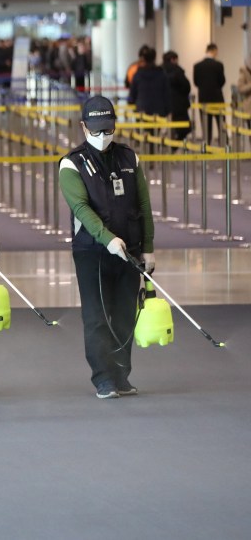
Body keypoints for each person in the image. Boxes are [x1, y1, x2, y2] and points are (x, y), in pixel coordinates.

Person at [59, 96, 155, 399]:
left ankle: (121, 373)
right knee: (97, 315)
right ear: (84, 126)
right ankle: (102, 376)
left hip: (130, 250)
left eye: (108, 130)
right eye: (97, 131)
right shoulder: (71, 163)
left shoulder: (129, 157)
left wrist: (148, 247)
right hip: (92, 251)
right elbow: (81, 208)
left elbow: (143, 204)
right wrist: (106, 237)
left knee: (126, 313)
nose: (103, 137)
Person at [192, 43, 226, 144]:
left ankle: (206, 145)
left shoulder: (197, 66)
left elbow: (196, 82)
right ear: (214, 50)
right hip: (217, 98)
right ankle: (224, 144)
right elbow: (222, 81)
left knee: (206, 124)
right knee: (221, 122)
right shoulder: (218, 65)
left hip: (203, 98)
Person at [128, 47, 171, 119]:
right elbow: (166, 93)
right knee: (155, 130)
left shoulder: (138, 75)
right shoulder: (161, 74)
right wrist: (167, 110)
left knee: (142, 129)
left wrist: (132, 105)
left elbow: (132, 94)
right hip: (159, 111)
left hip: (141, 110)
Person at [161, 51, 192, 140]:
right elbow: (186, 86)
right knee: (185, 128)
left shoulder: (160, 71)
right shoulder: (177, 71)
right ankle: (174, 147)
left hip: (165, 105)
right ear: (172, 59)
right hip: (179, 104)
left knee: (172, 127)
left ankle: (171, 146)